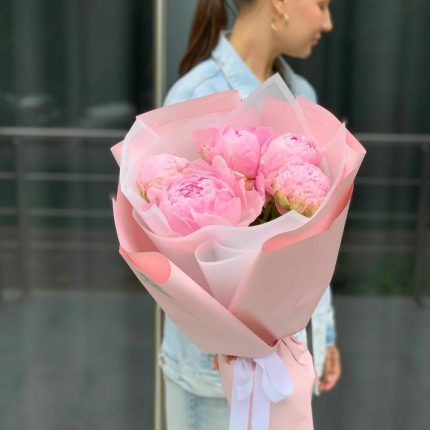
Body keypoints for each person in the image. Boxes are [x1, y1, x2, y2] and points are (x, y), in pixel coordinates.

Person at [160, 1, 341, 428]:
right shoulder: (196, 95)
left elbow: (314, 238)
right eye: (321, 4)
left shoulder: (302, 95)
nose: (328, 22)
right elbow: (170, 245)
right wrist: (224, 333)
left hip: (288, 359)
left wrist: (325, 332)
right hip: (215, 371)